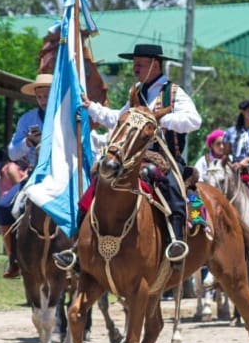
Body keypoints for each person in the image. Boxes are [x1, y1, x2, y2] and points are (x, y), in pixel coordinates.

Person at [57, 44, 201, 268]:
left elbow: (194, 121)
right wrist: (91, 107)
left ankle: (176, 242)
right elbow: (119, 119)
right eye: (134, 63)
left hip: (164, 157)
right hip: (131, 156)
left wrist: (159, 120)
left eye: (140, 63)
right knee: (99, 178)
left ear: (155, 63)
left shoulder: (173, 92)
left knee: (168, 184)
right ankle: (78, 245)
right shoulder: (137, 91)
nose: (135, 67)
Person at [0, 73, 52, 278]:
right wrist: (27, 143)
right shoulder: (27, 119)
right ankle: (14, 258)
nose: (43, 101)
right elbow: (12, 153)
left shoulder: (66, 116)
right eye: (40, 97)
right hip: (34, 174)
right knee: (4, 206)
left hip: (62, 173)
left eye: (47, 96)